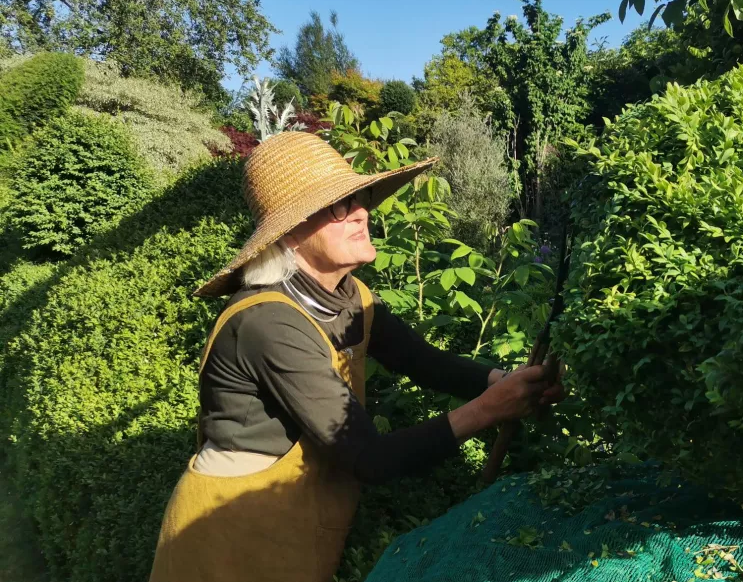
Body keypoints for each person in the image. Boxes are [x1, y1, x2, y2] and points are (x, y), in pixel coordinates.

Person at [149, 132, 564, 582]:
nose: (362, 211)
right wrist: (491, 409)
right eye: (337, 206)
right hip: (229, 538)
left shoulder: (349, 297)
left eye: (358, 198)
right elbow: (370, 458)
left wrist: (506, 380)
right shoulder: (269, 323)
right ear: (289, 234)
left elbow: (423, 362)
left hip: (292, 521)